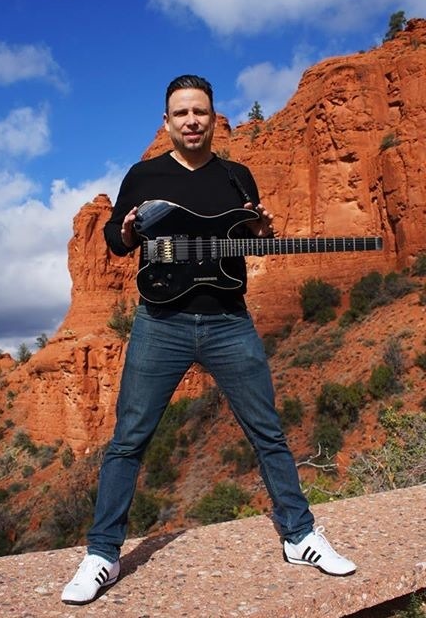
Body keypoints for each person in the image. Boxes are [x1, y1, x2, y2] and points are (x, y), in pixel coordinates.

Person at [61, 74, 356, 605]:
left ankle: (300, 536)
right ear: (168, 122)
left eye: (200, 113)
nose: (191, 121)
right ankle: (102, 555)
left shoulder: (238, 177)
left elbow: (251, 241)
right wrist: (126, 229)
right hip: (160, 322)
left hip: (228, 320)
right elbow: (114, 240)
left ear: (213, 119)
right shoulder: (144, 174)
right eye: (181, 114)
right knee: (129, 440)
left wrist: (262, 233)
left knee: (267, 431)